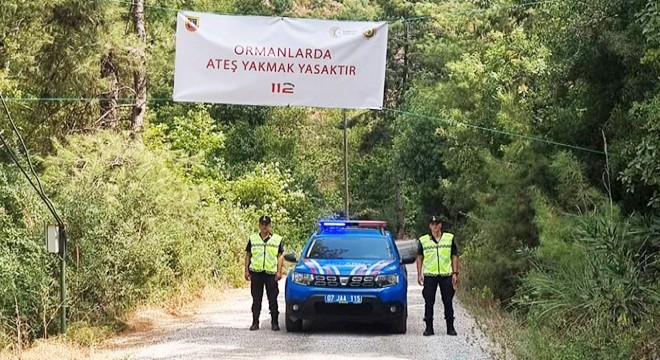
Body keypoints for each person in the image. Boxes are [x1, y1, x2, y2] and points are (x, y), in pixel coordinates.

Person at [416, 215, 460, 336]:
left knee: (448, 301)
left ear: (440, 225)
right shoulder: (423, 240)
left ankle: (450, 327)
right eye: (432, 224)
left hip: (446, 274)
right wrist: (419, 274)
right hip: (430, 275)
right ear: (429, 226)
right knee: (429, 301)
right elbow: (419, 257)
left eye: (437, 224)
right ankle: (429, 327)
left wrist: (455, 273)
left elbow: (455, 255)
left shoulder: (449, 238)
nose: (435, 226)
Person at [244, 215, 284, 331]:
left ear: (270, 225)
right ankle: (255, 322)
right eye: (262, 224)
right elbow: (248, 255)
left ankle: (275, 323)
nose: (264, 226)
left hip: (271, 273)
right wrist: (246, 270)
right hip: (256, 273)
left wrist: (279, 271)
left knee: (273, 299)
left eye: (266, 224)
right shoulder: (253, 239)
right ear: (259, 225)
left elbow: (280, 256)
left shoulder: (277, 239)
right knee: (256, 299)